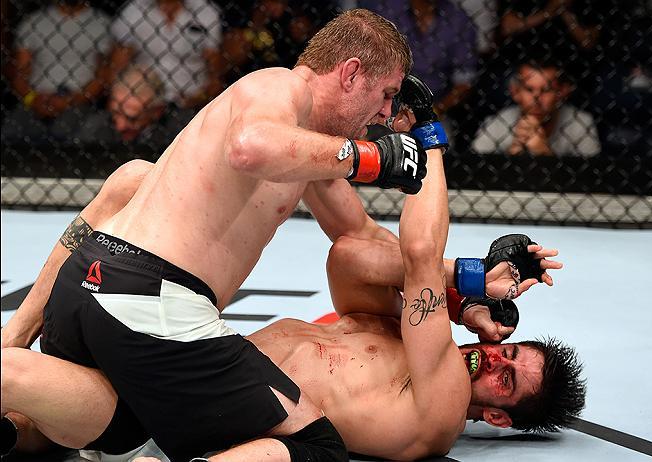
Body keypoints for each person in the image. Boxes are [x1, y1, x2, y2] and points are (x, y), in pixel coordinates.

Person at [2, 112, 579, 461]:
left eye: (507, 380)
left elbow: (420, 254)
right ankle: (17, 342)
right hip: (169, 365)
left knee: (35, 397)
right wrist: (463, 294)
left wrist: (425, 140)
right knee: (135, 179)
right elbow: (354, 249)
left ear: (499, 418)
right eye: (508, 353)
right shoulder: (396, 335)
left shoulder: (442, 402)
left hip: (169, 419)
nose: (493, 362)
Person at [2, 9, 433, 462]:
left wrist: (466, 284)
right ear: (350, 74)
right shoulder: (279, 86)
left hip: (94, 289)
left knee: (121, 429)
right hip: (151, 301)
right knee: (316, 448)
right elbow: (251, 147)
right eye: (386, 93)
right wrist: (367, 157)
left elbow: (361, 239)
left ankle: (12, 375)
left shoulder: (310, 149)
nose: (387, 113)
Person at [1, 0, 111, 144]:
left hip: (79, 101)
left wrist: (71, 101)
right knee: (10, 132)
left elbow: (103, 76)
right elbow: (19, 73)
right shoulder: (34, 21)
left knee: (72, 135)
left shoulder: (102, 23)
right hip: (37, 98)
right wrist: (32, 99)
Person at [471, 59, 600, 157]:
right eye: (529, 89)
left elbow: (595, 183)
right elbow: (473, 170)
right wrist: (513, 154)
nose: (537, 99)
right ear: (515, 91)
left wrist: (544, 154)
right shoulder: (498, 121)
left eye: (546, 90)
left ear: (562, 92)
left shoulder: (581, 122)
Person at [109, 0, 224, 109]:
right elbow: (116, 70)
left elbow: (215, 77)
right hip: (143, 102)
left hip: (191, 100)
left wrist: (200, 99)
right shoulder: (133, 11)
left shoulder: (206, 11)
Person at [76, 65, 195, 148]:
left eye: (132, 118)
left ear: (157, 111)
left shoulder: (182, 133)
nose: (120, 126)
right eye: (115, 114)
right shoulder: (95, 128)